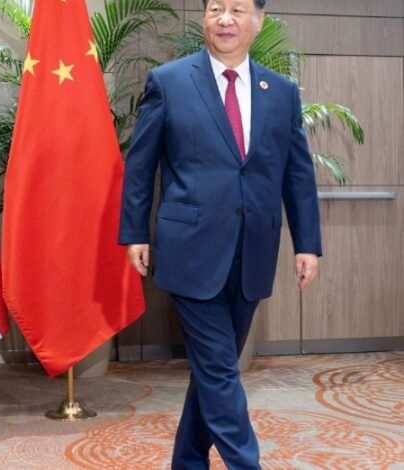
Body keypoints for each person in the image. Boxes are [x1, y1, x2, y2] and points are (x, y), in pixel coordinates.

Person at [119, 0, 321, 468]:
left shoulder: (282, 91)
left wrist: (306, 243)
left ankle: (187, 461)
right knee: (218, 370)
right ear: (205, 19)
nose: (224, 19)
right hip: (190, 250)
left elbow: (297, 173)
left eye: (235, 9)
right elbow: (140, 164)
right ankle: (245, 462)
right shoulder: (169, 81)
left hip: (253, 251)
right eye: (214, 9)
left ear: (258, 21)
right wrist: (135, 232)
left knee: (215, 371)